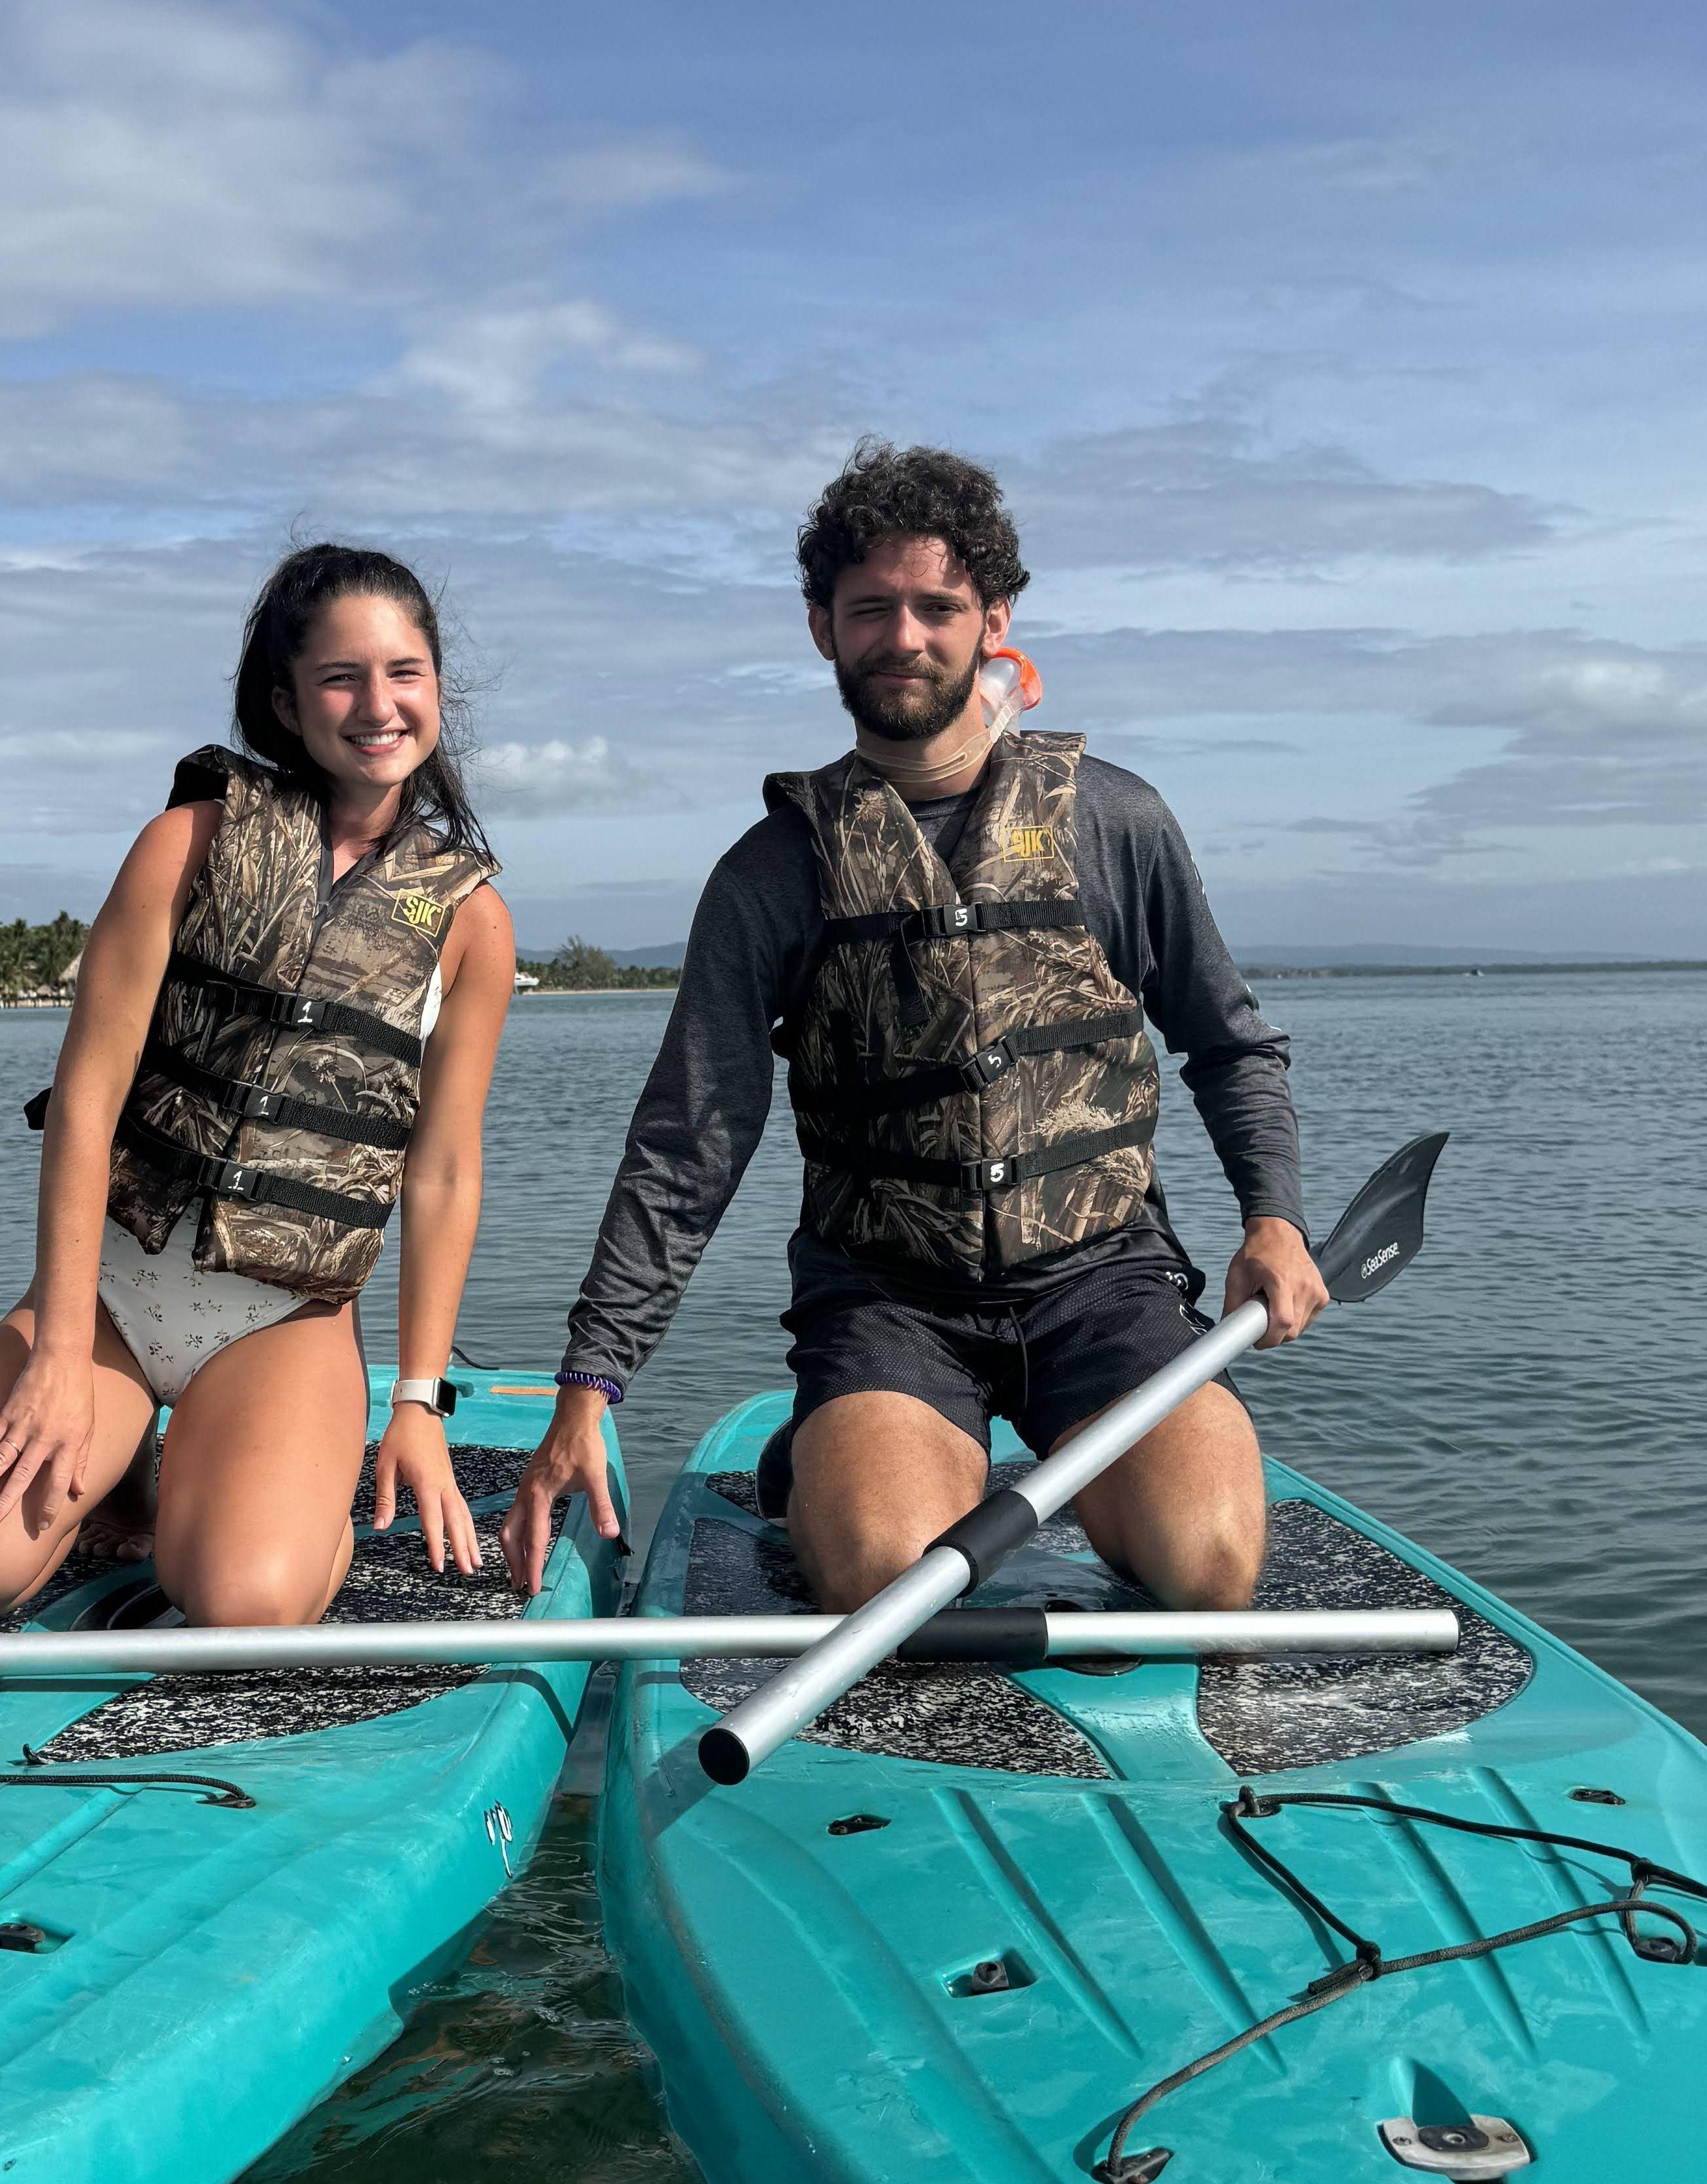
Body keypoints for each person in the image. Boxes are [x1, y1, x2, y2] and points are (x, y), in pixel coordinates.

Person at [505, 440, 1322, 1611]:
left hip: (1107, 1285)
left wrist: (1275, 1218)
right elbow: (692, 1138)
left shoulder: (1115, 822)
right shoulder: (773, 870)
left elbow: (1230, 1042)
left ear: (993, 619)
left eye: (938, 607)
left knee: (1210, 1571)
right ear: (821, 627)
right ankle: (826, 1454)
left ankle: (1019, 1457)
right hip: (887, 1305)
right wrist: (591, 1383)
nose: (903, 637)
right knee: (885, 1576)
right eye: (870, 608)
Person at [0, 543, 518, 1633]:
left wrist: (418, 1401)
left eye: (405, 673)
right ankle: (112, 1474)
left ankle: (283, 1503)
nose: (377, 705)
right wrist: (61, 1357)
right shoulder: (188, 844)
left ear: (437, 689)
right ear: (286, 701)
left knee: (241, 1604)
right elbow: (84, 1101)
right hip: (112, 1302)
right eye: (341, 677)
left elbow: (444, 1169)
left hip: (283, 1322)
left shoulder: (470, 922)